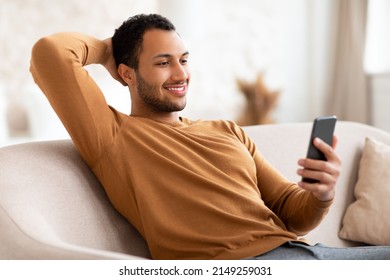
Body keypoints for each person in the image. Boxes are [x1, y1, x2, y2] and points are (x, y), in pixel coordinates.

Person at [30, 13, 390, 260]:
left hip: (303, 254)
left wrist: (321, 195)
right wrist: (109, 47)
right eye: (162, 62)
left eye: (184, 59)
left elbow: (291, 212)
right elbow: (50, 53)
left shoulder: (226, 130)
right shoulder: (113, 136)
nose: (179, 73)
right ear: (126, 74)